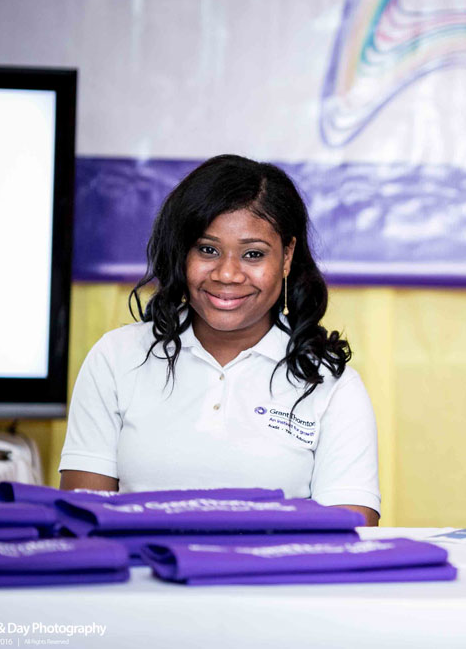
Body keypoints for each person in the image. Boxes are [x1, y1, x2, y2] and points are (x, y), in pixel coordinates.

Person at [59, 155, 380, 526]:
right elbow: (81, 523)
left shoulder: (331, 385)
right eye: (207, 250)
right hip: (142, 565)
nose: (227, 274)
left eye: (253, 254)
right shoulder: (116, 357)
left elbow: (350, 534)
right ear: (182, 251)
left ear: (287, 257)